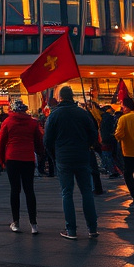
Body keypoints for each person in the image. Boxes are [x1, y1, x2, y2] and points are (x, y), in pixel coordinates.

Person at [44, 86, 99, 240]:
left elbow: (47, 140)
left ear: (60, 98)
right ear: (72, 96)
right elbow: (93, 133)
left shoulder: (54, 115)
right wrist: (86, 146)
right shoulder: (83, 114)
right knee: (87, 191)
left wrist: (55, 155)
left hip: (63, 157)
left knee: (67, 193)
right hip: (82, 155)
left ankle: (71, 230)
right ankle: (92, 228)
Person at [0, 100, 44, 234]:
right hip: (28, 158)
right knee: (29, 190)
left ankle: (16, 222)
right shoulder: (32, 122)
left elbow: (1, 142)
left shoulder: (7, 122)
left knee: (15, 190)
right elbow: (39, 140)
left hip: (12, 158)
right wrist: (40, 153)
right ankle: (33, 224)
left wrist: (1, 160)